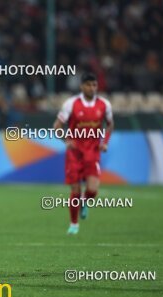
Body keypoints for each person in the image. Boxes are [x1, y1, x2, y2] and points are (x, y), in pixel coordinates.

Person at [53, 72, 114, 235]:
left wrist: (105, 142)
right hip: (74, 154)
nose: (92, 88)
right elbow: (57, 126)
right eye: (88, 85)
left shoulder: (104, 105)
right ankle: (74, 224)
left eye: (94, 85)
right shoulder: (71, 104)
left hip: (92, 153)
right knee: (75, 189)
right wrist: (66, 140)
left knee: (93, 189)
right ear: (82, 86)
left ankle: (84, 202)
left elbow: (110, 124)